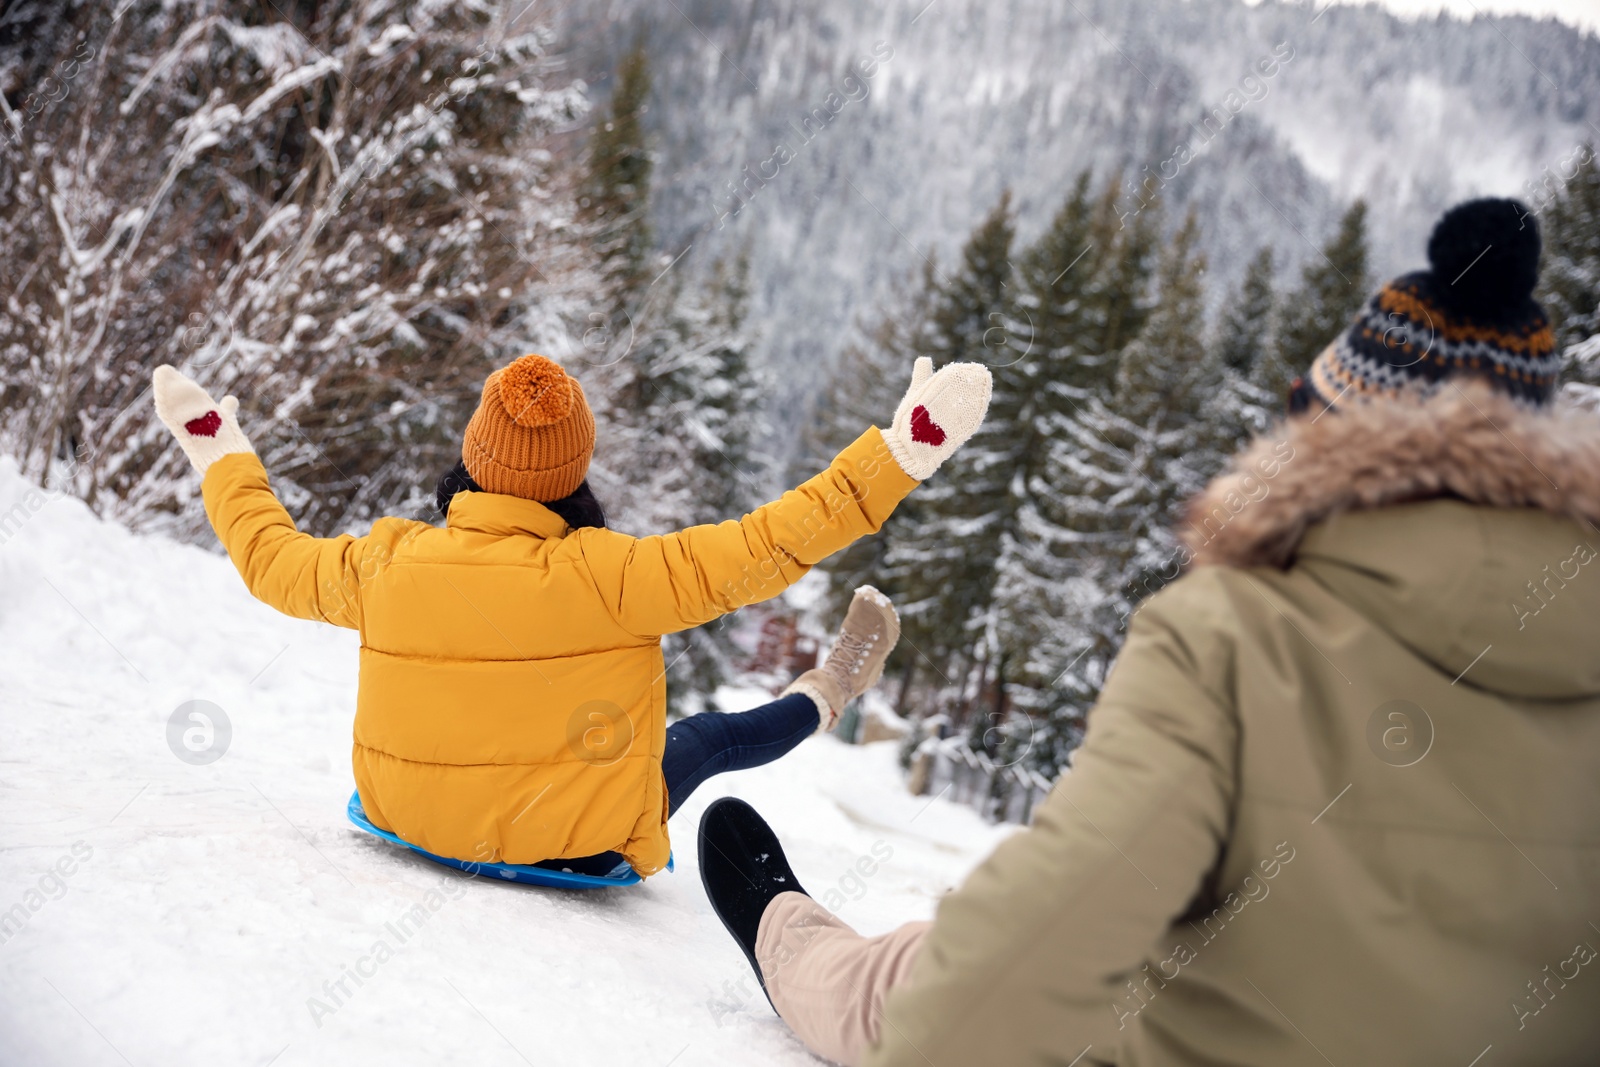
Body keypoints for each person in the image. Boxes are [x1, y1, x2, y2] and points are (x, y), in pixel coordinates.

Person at [700, 197, 1600, 1065]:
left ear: (1320, 446)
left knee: (998, 972)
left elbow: (1018, 965)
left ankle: (792, 928)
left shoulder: (1236, 636)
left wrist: (818, 955)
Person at [151, 352, 992, 878]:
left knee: (684, 738)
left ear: (471, 459)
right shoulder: (618, 574)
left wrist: (222, 449)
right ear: (575, 474)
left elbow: (269, 558)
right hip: (573, 847)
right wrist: (898, 453)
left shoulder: (388, 560)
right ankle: (829, 687)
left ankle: (829, 682)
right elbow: (769, 546)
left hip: (403, 818)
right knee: (708, 739)